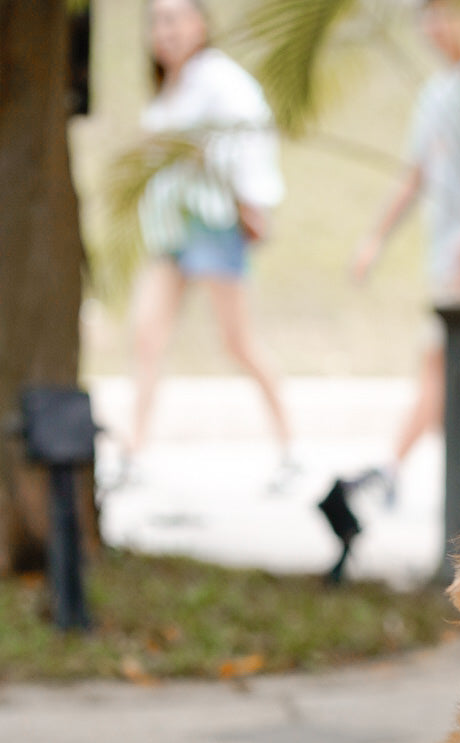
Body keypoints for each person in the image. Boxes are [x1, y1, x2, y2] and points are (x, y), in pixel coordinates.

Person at [316, 0, 460, 574]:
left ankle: (394, 472)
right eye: (425, 16)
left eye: (443, 12)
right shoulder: (437, 92)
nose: (434, 27)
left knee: (448, 365)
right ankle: (393, 472)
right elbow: (416, 173)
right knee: (439, 365)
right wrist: (374, 237)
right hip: (445, 253)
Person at [125, 0, 295, 487]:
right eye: (158, 21)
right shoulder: (168, 89)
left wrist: (253, 204)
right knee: (147, 336)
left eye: (175, 19)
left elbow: (249, 138)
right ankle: (135, 453)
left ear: (199, 24)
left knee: (237, 341)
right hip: (171, 231)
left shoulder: (220, 79)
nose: (166, 31)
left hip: (214, 224)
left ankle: (288, 446)